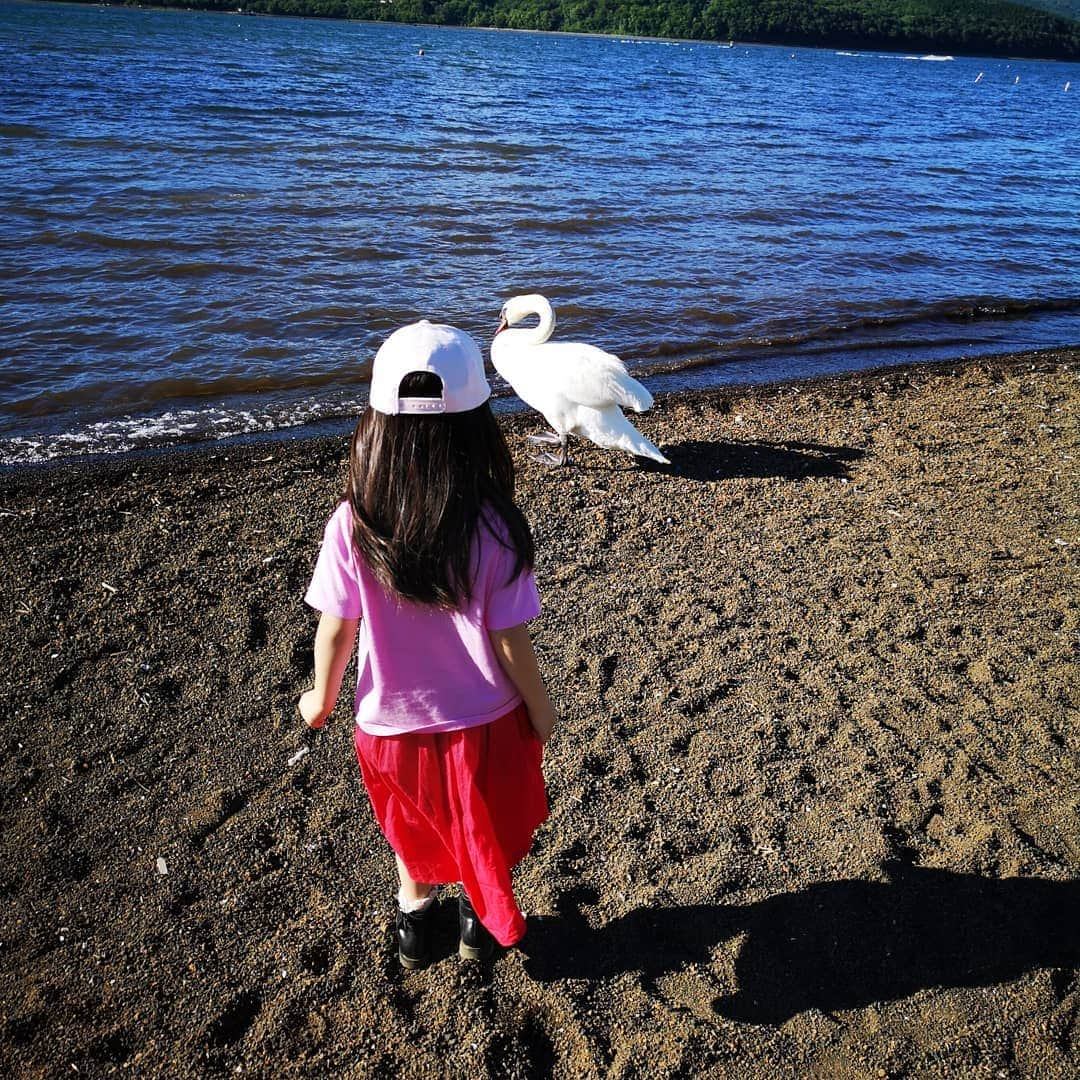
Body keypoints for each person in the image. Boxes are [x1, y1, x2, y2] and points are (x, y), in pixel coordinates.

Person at [299, 319, 555, 969]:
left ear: (375, 428)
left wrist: (318, 699)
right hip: (486, 722)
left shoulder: (355, 521)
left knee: (412, 834)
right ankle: (476, 924)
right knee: (482, 826)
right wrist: (541, 706)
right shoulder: (495, 523)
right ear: (480, 428)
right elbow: (508, 641)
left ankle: (416, 928)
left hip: (390, 729)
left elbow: (335, 630)